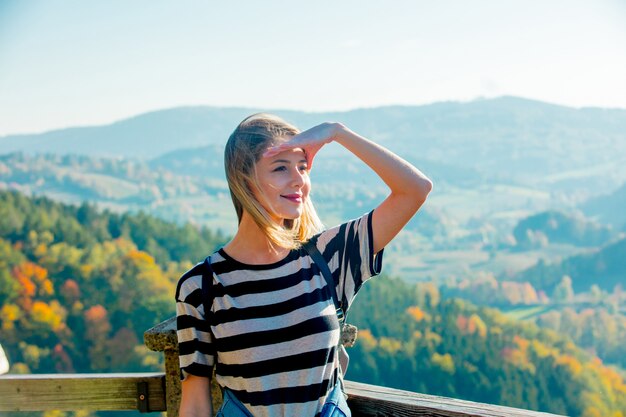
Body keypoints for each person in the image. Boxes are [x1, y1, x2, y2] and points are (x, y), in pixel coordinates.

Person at [175, 114, 432, 417]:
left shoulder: (329, 256)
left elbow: (415, 189)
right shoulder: (202, 285)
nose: (298, 179)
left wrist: (338, 133)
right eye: (281, 167)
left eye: (303, 167)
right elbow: (194, 402)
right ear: (244, 179)